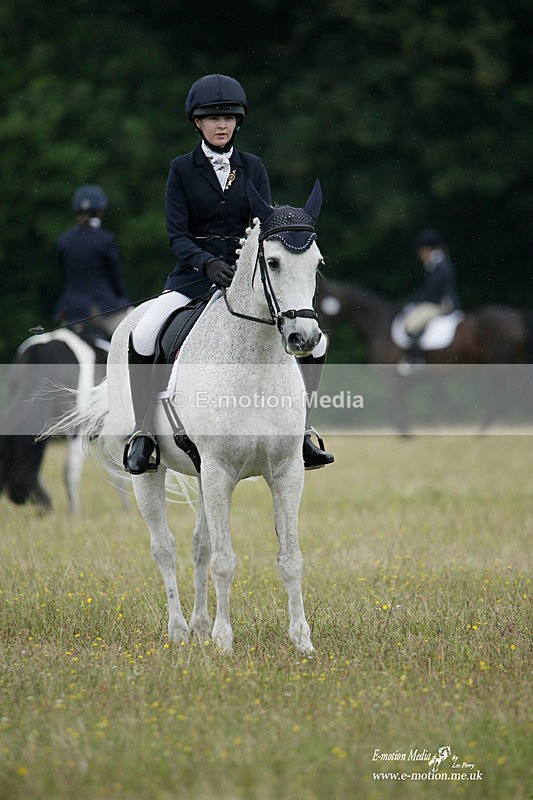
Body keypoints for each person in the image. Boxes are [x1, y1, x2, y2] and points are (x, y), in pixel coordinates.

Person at [124, 73, 334, 475]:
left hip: (247, 283)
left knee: (317, 343)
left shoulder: (253, 167)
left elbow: (266, 227)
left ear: (238, 122)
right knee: (146, 331)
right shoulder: (181, 170)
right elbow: (176, 234)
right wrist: (205, 262)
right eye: (212, 118)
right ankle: (144, 433)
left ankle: (303, 431)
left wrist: (243, 269)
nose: (221, 124)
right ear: (197, 123)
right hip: (192, 279)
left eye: (229, 118)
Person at [55, 185, 131, 338]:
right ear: (100, 210)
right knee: (130, 336)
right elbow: (115, 279)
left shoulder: (64, 240)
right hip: (100, 308)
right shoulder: (105, 240)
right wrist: (122, 299)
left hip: (71, 311)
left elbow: (64, 274)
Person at [400, 227, 459, 364]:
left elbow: (432, 291)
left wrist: (415, 301)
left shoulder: (440, 265)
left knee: (411, 325)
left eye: (421, 252)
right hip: (437, 301)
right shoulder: (436, 263)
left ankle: (416, 359)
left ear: (427, 249)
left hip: (442, 303)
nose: (420, 255)